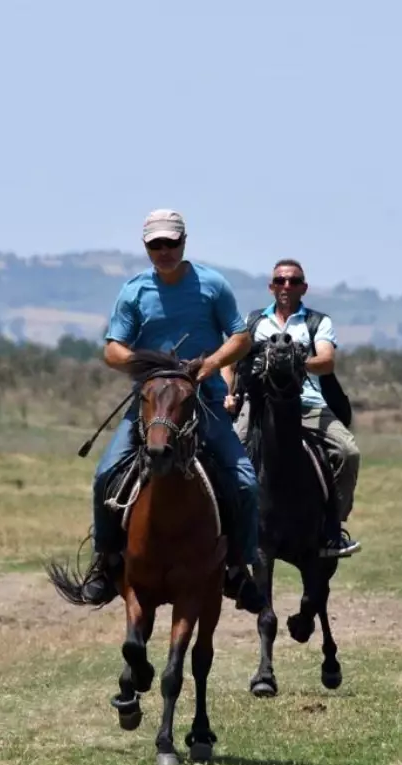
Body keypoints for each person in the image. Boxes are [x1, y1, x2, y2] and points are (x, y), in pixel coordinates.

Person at [80, 209, 265, 613]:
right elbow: (112, 349)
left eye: (170, 243)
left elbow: (240, 336)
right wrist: (147, 368)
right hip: (151, 406)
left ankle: (239, 566)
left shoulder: (212, 285)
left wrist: (210, 366)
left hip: (206, 402)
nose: (163, 251)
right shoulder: (133, 292)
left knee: (246, 482)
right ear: (145, 246)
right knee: (105, 475)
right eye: (155, 245)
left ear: (184, 242)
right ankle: (106, 562)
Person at [222, 259, 363, 558]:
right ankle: (228, 531)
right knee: (229, 455)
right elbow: (230, 363)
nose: (287, 286)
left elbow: (326, 361)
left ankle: (332, 528)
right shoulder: (253, 322)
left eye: (294, 281)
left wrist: (295, 362)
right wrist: (228, 393)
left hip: (308, 403)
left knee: (348, 452)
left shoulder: (317, 322)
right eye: (281, 281)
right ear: (271, 286)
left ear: (304, 287)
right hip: (258, 404)